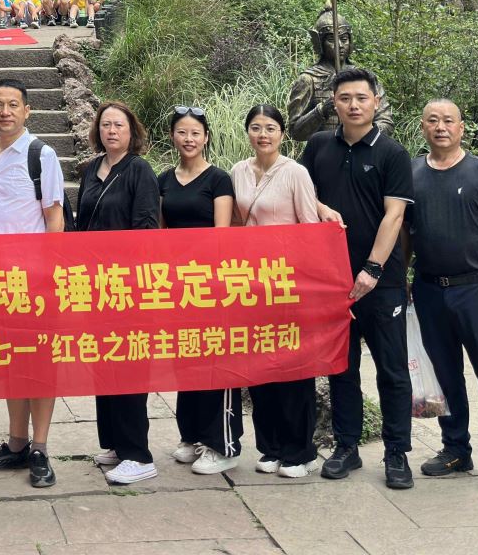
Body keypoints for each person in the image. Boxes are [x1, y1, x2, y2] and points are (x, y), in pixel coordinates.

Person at [301, 70, 414, 489]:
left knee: (392, 369)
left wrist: (372, 268)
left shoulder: (392, 153)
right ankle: (346, 446)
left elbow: (394, 216)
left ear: (376, 102)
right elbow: (300, 192)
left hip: (381, 282)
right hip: (330, 279)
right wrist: (319, 207)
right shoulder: (318, 146)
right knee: (341, 368)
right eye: (345, 97)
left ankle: (396, 452)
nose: (353, 105)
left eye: (361, 98)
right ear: (334, 101)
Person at [411, 100, 478, 496]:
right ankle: (455, 449)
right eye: (433, 121)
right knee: (444, 376)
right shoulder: (412, 173)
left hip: (477, 289)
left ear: (461, 128)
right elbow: (404, 232)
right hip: (429, 289)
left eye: (448, 121)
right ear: (423, 127)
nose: (441, 127)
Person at [0, 79, 64, 489]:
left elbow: (55, 219)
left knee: (39, 365)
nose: (5, 111)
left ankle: (40, 447)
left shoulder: (41, 155)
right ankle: (17, 443)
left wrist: (48, 278)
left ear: (27, 110)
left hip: (34, 282)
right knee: (9, 361)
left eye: (13, 105)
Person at [71, 102, 161, 484]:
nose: (111, 131)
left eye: (118, 125)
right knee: (104, 365)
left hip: (126, 286)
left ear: (131, 131)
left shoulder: (139, 170)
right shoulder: (93, 168)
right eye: (105, 124)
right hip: (95, 285)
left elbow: (146, 229)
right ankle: (114, 444)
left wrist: (126, 275)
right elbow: (81, 224)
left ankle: (138, 454)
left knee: (128, 368)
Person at [232, 104, 323, 480]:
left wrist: (311, 284)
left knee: (294, 368)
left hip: (288, 284)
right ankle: (270, 446)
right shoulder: (238, 171)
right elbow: (234, 224)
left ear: (282, 133)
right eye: (256, 128)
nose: (263, 135)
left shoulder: (295, 172)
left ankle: (300, 451)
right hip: (251, 285)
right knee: (259, 367)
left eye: (270, 128)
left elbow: (310, 227)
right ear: (248, 133)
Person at [158, 107, 240, 475]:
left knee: (215, 363)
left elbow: (222, 237)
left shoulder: (218, 179)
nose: (188, 139)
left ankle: (223, 444)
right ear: (172, 136)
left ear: (205, 137)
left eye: (195, 133)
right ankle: (191, 436)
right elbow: (160, 233)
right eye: (182, 132)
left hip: (211, 284)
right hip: (178, 286)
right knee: (186, 360)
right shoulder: (163, 180)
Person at [287, 9, 393, 142]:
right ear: (320, 43)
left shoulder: (365, 78)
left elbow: (385, 120)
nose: (339, 45)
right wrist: (320, 111)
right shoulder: (308, 79)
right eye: (331, 40)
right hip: (324, 150)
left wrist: (364, 136)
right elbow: (296, 132)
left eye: (344, 39)